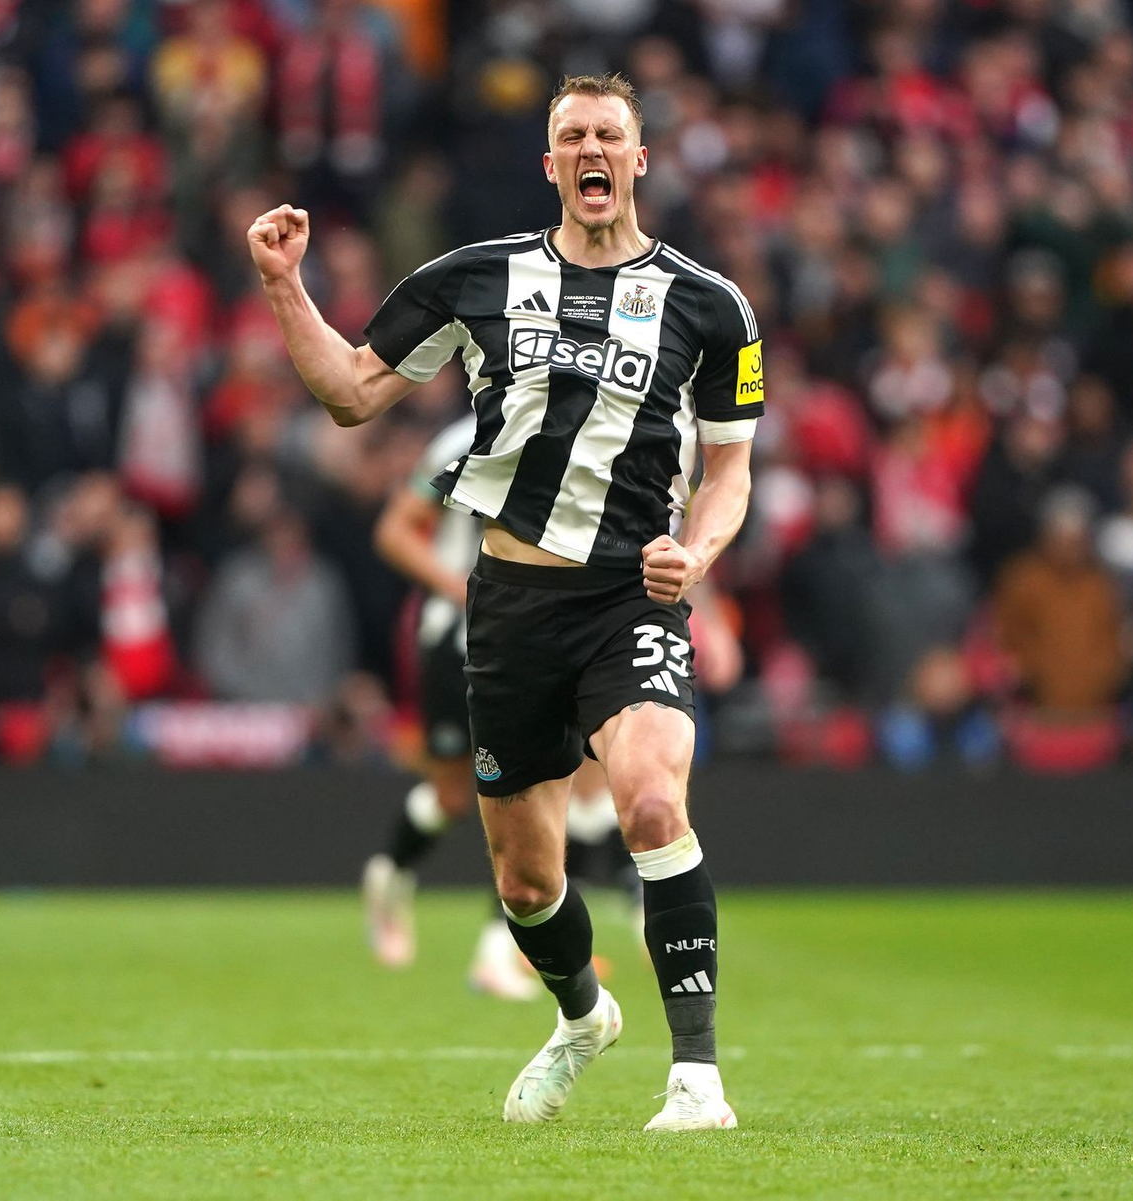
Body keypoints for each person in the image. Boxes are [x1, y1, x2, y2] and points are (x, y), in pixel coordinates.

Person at [249, 72, 761, 1132]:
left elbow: (730, 471)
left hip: (633, 596)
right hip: (511, 609)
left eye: (609, 134)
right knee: (527, 883)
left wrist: (698, 556)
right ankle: (582, 1016)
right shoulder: (473, 280)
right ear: (551, 165)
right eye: (572, 134)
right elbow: (350, 395)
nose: (592, 150)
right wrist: (283, 286)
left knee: (653, 802)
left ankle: (698, 1079)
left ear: (638, 159)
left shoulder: (709, 306)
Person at [366, 413, 632, 999]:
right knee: (452, 797)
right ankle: (391, 874)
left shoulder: (601, 418)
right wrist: (464, 588)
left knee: (538, 785)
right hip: (457, 635)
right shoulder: (467, 437)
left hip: (542, 636)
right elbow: (395, 530)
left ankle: (502, 950)